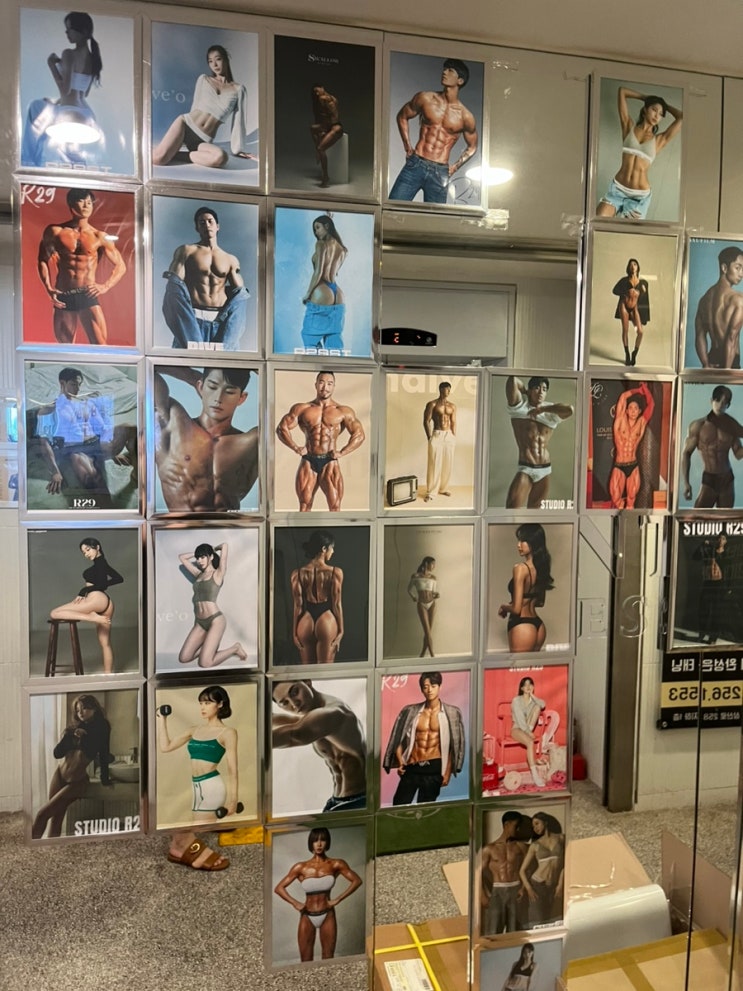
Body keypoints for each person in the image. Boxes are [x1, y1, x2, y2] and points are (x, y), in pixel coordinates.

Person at [153, 365, 259, 512]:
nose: (218, 398)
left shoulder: (251, 443)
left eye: (229, 392)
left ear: (241, 398)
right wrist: (193, 377)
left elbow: (288, 413)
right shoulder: (172, 423)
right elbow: (147, 370)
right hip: (181, 526)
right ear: (201, 387)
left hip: (230, 526)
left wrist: (260, 365)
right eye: (212, 387)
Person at [30, 367, 136, 507]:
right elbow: (45, 443)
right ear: (62, 383)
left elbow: (103, 429)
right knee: (92, 476)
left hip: (97, 443)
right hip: (75, 449)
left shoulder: (87, 404)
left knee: (131, 428)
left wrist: (112, 449)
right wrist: (55, 472)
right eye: (73, 384)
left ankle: (136, 472)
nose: (77, 389)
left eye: (79, 385)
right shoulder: (48, 410)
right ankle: (108, 510)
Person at [37, 188, 127, 345]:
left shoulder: (99, 236)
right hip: (64, 294)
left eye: (89, 202)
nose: (86, 205)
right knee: (65, 348)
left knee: (100, 347)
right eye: (81, 201)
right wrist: (49, 288)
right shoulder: (55, 231)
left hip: (87, 294)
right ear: (71, 204)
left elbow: (121, 266)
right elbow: (42, 259)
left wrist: (105, 286)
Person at [389, 58, 478, 204]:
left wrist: (455, 167)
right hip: (416, 163)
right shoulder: (425, 98)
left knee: (434, 217)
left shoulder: (465, 116)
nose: (444, 72)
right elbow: (402, 116)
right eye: (445, 68)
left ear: (460, 81)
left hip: (440, 172)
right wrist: (407, 147)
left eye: (450, 70)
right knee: (393, 209)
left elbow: (472, 146)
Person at [152, 44, 256, 168]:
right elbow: (195, 106)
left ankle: (175, 155)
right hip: (186, 125)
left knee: (220, 158)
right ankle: (159, 152)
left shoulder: (238, 89)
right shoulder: (204, 79)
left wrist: (238, 150)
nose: (214, 65)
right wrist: (181, 139)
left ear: (225, 59)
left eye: (218, 59)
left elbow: (239, 121)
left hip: (203, 140)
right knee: (159, 159)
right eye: (210, 61)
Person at [22, 11, 103, 168]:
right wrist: (55, 103)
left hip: (68, 112)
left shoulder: (69, 54)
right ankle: (77, 166)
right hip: (86, 113)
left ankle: (28, 161)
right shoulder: (93, 58)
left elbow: (65, 91)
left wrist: (51, 66)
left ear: (82, 31)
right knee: (66, 146)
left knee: (35, 108)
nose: (67, 33)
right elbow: (84, 92)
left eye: (69, 29)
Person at [161, 206, 249, 350]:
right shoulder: (187, 251)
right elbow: (174, 288)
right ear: (197, 228)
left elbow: (239, 296)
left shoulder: (230, 259)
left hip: (220, 322)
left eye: (210, 221)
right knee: (189, 362)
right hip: (193, 320)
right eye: (202, 223)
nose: (207, 225)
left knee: (243, 294)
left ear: (217, 226)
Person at [276, 370, 365, 511]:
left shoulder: (343, 411)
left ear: (334, 386)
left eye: (329, 383)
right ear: (316, 385)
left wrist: (342, 452)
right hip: (308, 460)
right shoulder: (302, 408)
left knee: (335, 507)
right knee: (304, 505)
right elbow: (282, 429)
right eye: (322, 383)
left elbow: (359, 435)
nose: (325, 387)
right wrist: (295, 447)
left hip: (329, 461)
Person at [157, 685, 239, 839]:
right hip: (196, 786)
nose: (202, 707)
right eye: (201, 703)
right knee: (200, 831)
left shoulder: (228, 733)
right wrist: (162, 720)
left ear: (220, 704)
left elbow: (232, 769)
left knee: (200, 832)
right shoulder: (194, 730)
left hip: (212, 786)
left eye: (207, 703)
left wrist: (233, 801)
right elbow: (165, 747)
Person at [271, 680, 366, 813]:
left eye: (294, 692)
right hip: (338, 799)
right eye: (285, 703)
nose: (294, 704)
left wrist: (246, 740)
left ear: (307, 681)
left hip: (357, 801)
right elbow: (294, 721)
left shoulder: (333, 712)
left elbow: (295, 734)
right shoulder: (315, 714)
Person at [274, 827, 363, 962]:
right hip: (307, 915)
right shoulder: (301, 867)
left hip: (327, 914)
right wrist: (295, 903)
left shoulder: (336, 864)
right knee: (306, 961)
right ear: (311, 843)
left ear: (327, 842)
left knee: (328, 959)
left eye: (323, 840)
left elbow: (357, 881)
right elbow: (279, 888)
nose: (319, 844)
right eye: (316, 841)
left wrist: (338, 899)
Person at [32, 694, 112, 839]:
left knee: (41, 814)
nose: (80, 712)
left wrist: (105, 779)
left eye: (84, 708)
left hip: (77, 782)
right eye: (78, 710)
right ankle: (50, 851)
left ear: (94, 708)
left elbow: (102, 753)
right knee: (56, 819)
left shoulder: (102, 727)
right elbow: (57, 753)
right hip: (59, 775)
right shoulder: (74, 728)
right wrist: (70, 736)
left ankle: (30, 851)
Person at [596, 88, 683, 220]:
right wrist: (645, 98)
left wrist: (663, 105)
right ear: (645, 109)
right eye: (654, 109)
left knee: (627, 232)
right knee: (599, 220)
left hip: (639, 197)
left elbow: (681, 116)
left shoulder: (659, 140)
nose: (656, 116)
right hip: (617, 190)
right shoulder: (628, 127)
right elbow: (622, 91)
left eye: (661, 114)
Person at [382, 671, 465, 805]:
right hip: (412, 765)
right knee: (399, 805)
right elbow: (398, 739)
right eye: (426, 687)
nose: (429, 690)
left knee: (426, 809)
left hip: (434, 768)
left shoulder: (452, 713)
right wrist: (400, 761)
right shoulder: (410, 711)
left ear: (440, 687)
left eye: (433, 686)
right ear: (421, 689)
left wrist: (448, 772)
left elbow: (453, 746)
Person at [49, 536, 123, 674]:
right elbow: (118, 579)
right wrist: (88, 590)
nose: (86, 554)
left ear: (97, 547)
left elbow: (102, 584)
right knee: (105, 643)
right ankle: (108, 676)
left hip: (96, 599)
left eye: (88, 550)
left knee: (54, 613)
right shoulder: (102, 563)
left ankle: (92, 617)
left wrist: (84, 590)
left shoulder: (100, 564)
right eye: (84, 552)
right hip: (106, 603)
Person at [505, 376, 574, 508]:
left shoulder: (550, 411)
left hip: (545, 469)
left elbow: (570, 409)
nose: (541, 392)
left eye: (544, 389)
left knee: (535, 512)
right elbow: (512, 380)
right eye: (537, 388)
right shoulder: (519, 406)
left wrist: (542, 409)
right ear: (530, 390)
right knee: (512, 509)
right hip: (526, 467)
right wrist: (525, 391)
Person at [177, 542, 247, 668]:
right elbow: (181, 557)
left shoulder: (218, 573)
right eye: (198, 558)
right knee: (184, 658)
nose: (199, 561)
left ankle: (235, 648)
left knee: (205, 663)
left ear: (211, 557)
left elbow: (225, 545)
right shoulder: (198, 574)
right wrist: (198, 553)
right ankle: (208, 649)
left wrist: (212, 549)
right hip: (200, 622)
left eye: (203, 557)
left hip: (215, 620)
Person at [681, 386, 743, 508]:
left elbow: (738, 454)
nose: (720, 405)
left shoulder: (731, 426)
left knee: (726, 517)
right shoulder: (698, 426)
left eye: (724, 402)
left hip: (727, 479)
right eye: (717, 400)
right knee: (698, 516)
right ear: (711, 401)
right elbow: (686, 453)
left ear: (728, 405)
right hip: (709, 479)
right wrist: (686, 483)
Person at [498, 524, 554, 653]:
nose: (518, 545)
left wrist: (504, 607)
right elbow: (540, 602)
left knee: (518, 666)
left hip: (522, 625)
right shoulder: (541, 568)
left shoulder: (520, 568)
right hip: (539, 626)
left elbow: (516, 609)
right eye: (518, 540)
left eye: (523, 541)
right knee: (533, 666)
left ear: (534, 542)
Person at [290, 530, 344, 665]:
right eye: (332, 548)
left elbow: (298, 605)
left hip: (306, 621)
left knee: (307, 672)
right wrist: (341, 631)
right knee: (325, 672)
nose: (333, 551)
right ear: (324, 549)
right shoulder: (335, 572)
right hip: (326, 619)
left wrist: (294, 633)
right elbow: (336, 604)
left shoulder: (297, 573)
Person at [300, 216, 347, 353]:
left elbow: (319, 272)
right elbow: (335, 272)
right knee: (335, 345)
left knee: (309, 338)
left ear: (327, 226)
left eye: (318, 227)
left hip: (323, 290)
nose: (316, 232)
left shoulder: (321, 244)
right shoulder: (342, 249)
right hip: (338, 294)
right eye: (314, 229)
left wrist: (308, 294)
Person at [694, 246, 743, 369]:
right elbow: (731, 337)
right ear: (724, 268)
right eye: (738, 268)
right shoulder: (738, 300)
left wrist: (706, 364)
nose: (741, 274)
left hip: (712, 358)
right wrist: (726, 371)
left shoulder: (704, 300)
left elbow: (700, 335)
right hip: (730, 361)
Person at [609, 381, 655, 509]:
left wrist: (646, 390)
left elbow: (651, 405)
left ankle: (629, 517)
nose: (633, 411)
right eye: (631, 408)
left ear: (639, 411)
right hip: (619, 465)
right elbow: (623, 397)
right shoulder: (620, 420)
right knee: (616, 498)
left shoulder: (641, 423)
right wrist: (638, 391)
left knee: (631, 501)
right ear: (627, 411)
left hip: (633, 466)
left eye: (636, 408)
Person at [481, 810, 528, 935]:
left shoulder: (521, 847)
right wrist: (483, 895)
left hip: (515, 889)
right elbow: (478, 874)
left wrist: (524, 888)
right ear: (507, 824)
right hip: (498, 890)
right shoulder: (489, 849)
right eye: (516, 826)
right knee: (493, 929)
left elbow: (528, 869)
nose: (518, 830)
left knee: (514, 930)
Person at [510, 676, 560, 787]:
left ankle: (533, 771)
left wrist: (532, 696)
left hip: (528, 728)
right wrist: (528, 732)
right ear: (521, 688)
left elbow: (542, 704)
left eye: (530, 684)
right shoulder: (516, 700)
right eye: (525, 685)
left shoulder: (533, 701)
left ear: (533, 686)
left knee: (538, 706)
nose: (528, 687)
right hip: (517, 728)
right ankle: (535, 775)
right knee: (530, 742)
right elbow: (520, 720)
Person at [518, 812, 565, 926]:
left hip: (554, 886)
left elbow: (566, 863)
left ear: (545, 822)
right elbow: (522, 871)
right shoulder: (535, 845)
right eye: (533, 826)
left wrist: (560, 884)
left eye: (537, 823)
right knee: (537, 921)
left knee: (555, 921)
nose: (535, 828)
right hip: (537, 885)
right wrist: (529, 889)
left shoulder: (561, 838)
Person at [612, 258, 650, 366]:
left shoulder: (643, 283)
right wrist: (624, 292)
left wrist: (643, 292)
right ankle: (627, 354)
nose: (633, 266)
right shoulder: (624, 280)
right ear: (629, 268)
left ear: (638, 267)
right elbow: (614, 290)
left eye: (635, 264)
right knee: (625, 330)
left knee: (640, 332)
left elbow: (643, 300)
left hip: (634, 308)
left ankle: (634, 353)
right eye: (631, 265)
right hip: (624, 306)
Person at [423, 382, 456, 502]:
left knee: (448, 463)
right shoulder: (432, 404)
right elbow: (426, 421)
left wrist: (453, 436)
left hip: (449, 435)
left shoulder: (452, 406)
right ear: (441, 390)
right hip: (437, 434)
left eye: (449, 389)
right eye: (446, 389)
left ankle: (443, 488)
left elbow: (453, 422)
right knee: (434, 464)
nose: (448, 392)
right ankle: (431, 492)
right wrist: (430, 437)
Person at [694, 534, 727, 645]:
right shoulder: (709, 551)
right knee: (704, 609)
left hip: (719, 584)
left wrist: (727, 588)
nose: (720, 540)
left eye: (723, 538)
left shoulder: (726, 554)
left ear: (725, 541)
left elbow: (728, 571)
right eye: (719, 538)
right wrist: (702, 545)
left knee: (716, 612)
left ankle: (713, 637)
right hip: (708, 582)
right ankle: (702, 633)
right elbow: (695, 557)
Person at [310, 87, 343, 188]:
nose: (316, 93)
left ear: (322, 88)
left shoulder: (324, 99)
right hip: (330, 126)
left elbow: (332, 118)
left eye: (317, 90)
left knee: (321, 148)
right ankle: (317, 151)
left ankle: (325, 177)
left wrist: (324, 129)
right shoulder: (331, 98)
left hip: (336, 128)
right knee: (313, 129)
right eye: (315, 92)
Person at [407, 557, 439, 657]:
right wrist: (413, 597)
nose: (434, 566)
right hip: (422, 604)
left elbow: (434, 592)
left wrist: (436, 595)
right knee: (427, 632)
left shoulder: (433, 578)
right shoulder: (415, 576)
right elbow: (409, 589)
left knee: (428, 632)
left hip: (432, 604)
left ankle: (422, 654)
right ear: (426, 563)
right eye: (432, 564)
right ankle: (433, 655)